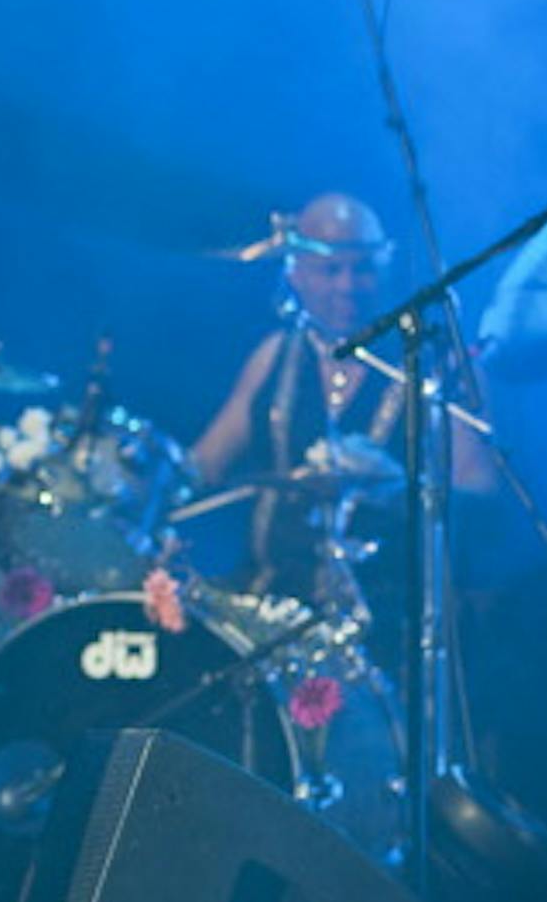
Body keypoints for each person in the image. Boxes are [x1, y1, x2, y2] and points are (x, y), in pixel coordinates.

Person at [188, 192, 492, 612]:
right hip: (267, 602)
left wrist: (396, 490)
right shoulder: (274, 355)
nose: (347, 287)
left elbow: (481, 492)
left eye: (363, 269)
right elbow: (203, 466)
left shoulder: (437, 364)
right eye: (330, 270)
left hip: (386, 612)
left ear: (385, 267)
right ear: (296, 273)